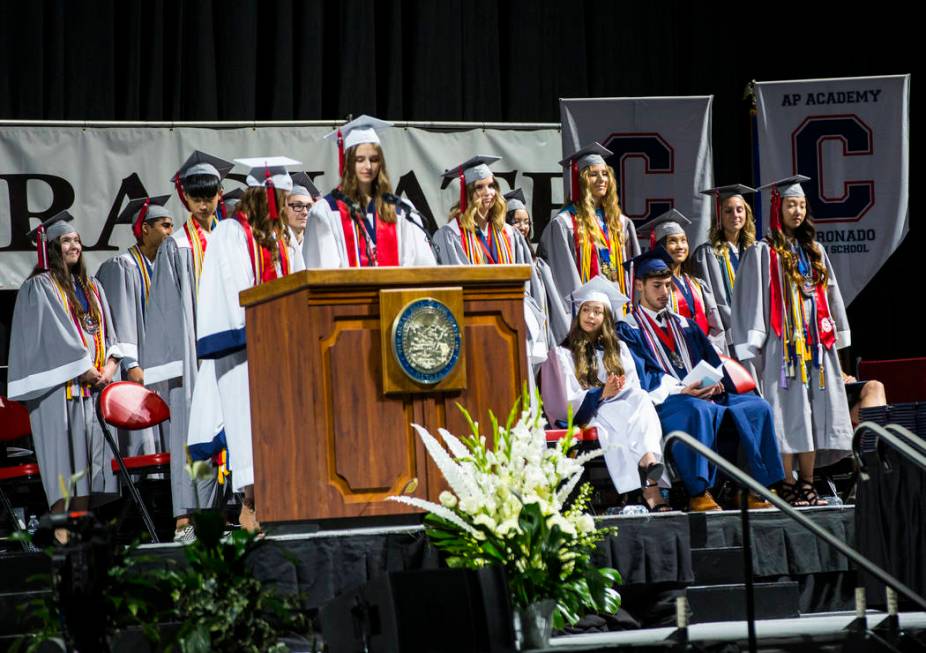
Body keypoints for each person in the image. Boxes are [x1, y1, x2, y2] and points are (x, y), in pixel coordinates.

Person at [618, 247, 785, 511]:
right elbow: (642, 376)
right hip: (665, 401)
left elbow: (712, 363)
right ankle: (699, 492)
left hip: (702, 395)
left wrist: (715, 383)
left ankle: (752, 488)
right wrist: (684, 389)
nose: (664, 293)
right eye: (657, 286)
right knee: (696, 410)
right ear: (639, 285)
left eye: (668, 285)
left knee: (756, 407)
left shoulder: (685, 325)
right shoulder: (628, 329)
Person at [196, 157, 306, 532]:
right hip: (245, 350)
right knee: (249, 426)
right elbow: (231, 291)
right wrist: (258, 328)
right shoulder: (230, 233)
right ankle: (251, 503)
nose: (288, 205)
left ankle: (285, 499)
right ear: (266, 197)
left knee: (285, 424)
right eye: (283, 197)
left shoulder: (283, 238)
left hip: (283, 348)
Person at [731, 176, 853, 507]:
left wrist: (836, 335)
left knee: (813, 412)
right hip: (783, 348)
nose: (797, 211)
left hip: (817, 345)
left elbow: (831, 295)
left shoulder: (815, 251)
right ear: (777, 208)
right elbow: (752, 299)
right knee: (787, 413)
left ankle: (808, 483)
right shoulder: (763, 251)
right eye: (790, 205)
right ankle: (786, 482)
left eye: (801, 205)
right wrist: (753, 345)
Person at [7, 212, 123, 541]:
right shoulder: (39, 287)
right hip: (59, 391)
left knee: (86, 462)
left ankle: (82, 533)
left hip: (93, 389)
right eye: (66, 241)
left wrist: (109, 367)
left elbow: (109, 334)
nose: (74, 245)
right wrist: (85, 369)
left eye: (77, 240)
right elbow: (52, 338)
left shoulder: (92, 286)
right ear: (53, 249)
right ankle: (61, 536)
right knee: (62, 461)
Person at [143, 150, 233, 541]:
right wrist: (173, 367)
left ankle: (228, 512)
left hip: (229, 352)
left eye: (208, 194)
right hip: (193, 356)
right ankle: (188, 518)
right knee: (192, 434)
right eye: (195, 195)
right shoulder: (176, 247)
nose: (202, 202)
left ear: (220, 193)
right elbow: (163, 310)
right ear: (185, 198)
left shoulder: (230, 239)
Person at [540, 276, 669, 511]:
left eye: (597, 312)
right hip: (589, 414)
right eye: (586, 310)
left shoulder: (618, 349)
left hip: (621, 408)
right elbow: (563, 402)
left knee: (640, 398)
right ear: (577, 316)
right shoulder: (561, 354)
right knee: (617, 416)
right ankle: (649, 483)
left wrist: (617, 389)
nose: (591, 316)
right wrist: (602, 393)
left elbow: (633, 387)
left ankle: (646, 462)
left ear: (606, 318)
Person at [96, 194, 174, 457]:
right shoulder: (122, 267)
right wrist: (132, 365)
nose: (170, 231)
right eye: (164, 225)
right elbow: (119, 320)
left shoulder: (164, 266)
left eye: (172, 225)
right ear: (144, 229)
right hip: (138, 366)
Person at [303, 115, 435, 267]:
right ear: (348, 163)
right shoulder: (326, 211)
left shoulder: (403, 210)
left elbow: (423, 266)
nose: (368, 166)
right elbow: (320, 273)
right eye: (360, 160)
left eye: (373, 159)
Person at [539, 142, 639, 303]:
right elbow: (564, 276)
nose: (601, 179)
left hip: (620, 306)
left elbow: (633, 271)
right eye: (593, 174)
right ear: (581, 180)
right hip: (586, 310)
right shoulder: (564, 224)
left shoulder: (620, 222)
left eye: (605, 173)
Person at [637, 209, 726, 352]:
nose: (680, 246)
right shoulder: (654, 287)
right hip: (673, 355)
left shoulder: (697, 284)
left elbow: (715, 324)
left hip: (705, 355)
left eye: (683, 241)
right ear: (659, 246)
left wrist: (712, 349)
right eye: (672, 241)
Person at [691, 184, 758, 354]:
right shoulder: (707, 254)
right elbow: (711, 301)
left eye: (739, 210)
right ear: (719, 216)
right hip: (730, 337)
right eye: (728, 211)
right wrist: (738, 325)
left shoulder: (756, 251)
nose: (735, 215)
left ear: (746, 214)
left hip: (758, 333)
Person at [505, 187, 570, 345]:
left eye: (526, 222)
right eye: (516, 221)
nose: (523, 226)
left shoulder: (537, 260)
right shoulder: (504, 258)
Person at [285, 172, 320, 249]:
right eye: (298, 206)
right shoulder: (274, 248)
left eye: (308, 206)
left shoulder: (316, 247)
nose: (305, 212)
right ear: (283, 208)